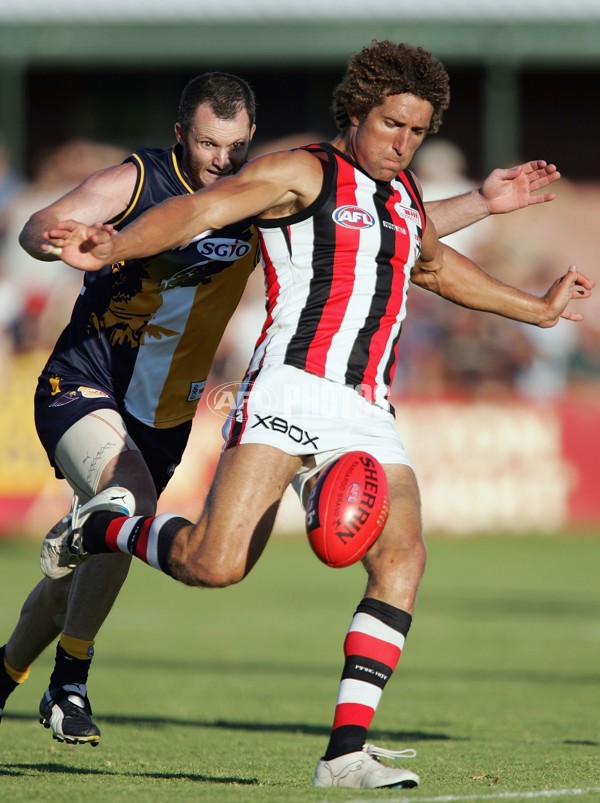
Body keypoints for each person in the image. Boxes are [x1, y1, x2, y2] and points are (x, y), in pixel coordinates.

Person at [38, 40, 593, 788]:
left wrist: (539, 309)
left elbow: (430, 265)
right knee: (215, 562)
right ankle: (100, 525)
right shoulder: (302, 172)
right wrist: (115, 245)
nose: (404, 142)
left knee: (404, 557)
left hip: (366, 407)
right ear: (357, 112)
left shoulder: (402, 198)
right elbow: (203, 208)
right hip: (289, 392)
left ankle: (344, 753)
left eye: (418, 131)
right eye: (393, 124)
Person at [0, 72, 260, 746]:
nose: (220, 160)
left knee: (74, 577)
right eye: (207, 143)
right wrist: (54, 239)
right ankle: (70, 683)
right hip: (80, 386)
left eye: (233, 146)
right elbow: (39, 225)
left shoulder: (259, 196)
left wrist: (483, 204)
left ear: (250, 138)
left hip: (164, 417)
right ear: (181, 135)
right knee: (127, 502)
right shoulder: (137, 181)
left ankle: (5, 676)